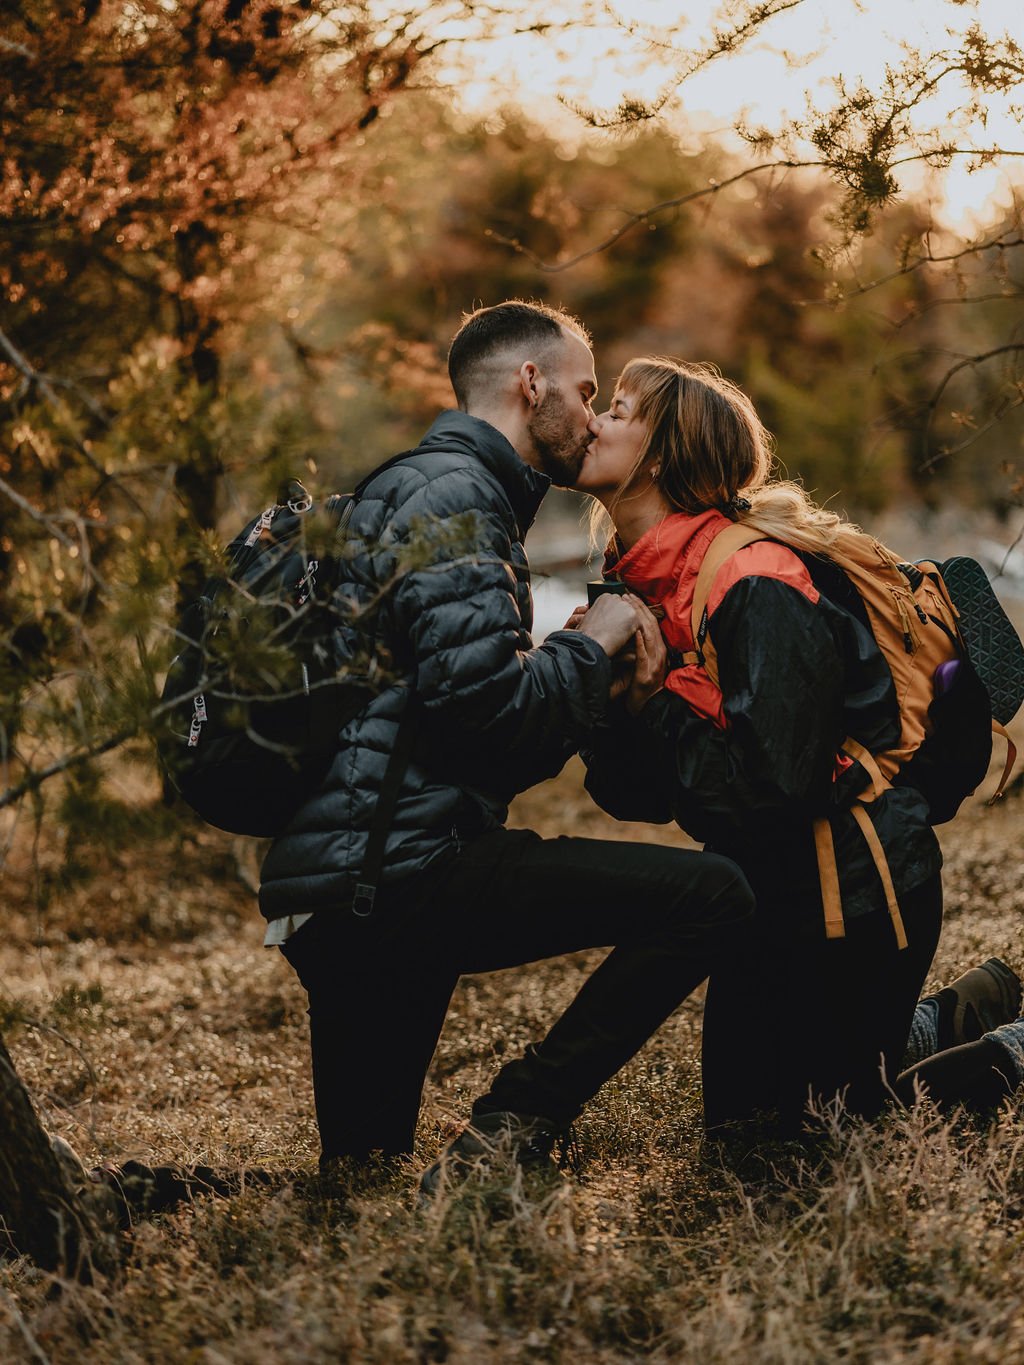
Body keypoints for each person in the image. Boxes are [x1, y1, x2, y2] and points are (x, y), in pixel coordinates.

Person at [258, 306, 755, 1181]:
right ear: (533, 384)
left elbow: (475, 736)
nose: (593, 410)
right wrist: (589, 641)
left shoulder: (420, 484)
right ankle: (519, 1116)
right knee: (712, 896)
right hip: (401, 875)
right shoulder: (455, 493)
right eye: (586, 388)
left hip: (342, 884)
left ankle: (140, 1191)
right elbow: (483, 711)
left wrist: (595, 690)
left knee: (359, 1176)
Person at [575, 355, 1024, 1136]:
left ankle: (1011, 1050)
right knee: (740, 1126)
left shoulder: (754, 581)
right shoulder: (643, 581)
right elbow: (636, 795)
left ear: (662, 451)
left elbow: (771, 791)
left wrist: (651, 701)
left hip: (857, 892)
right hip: (769, 889)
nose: (596, 420)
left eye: (619, 408)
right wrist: (607, 701)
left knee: (822, 1127)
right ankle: (932, 1022)